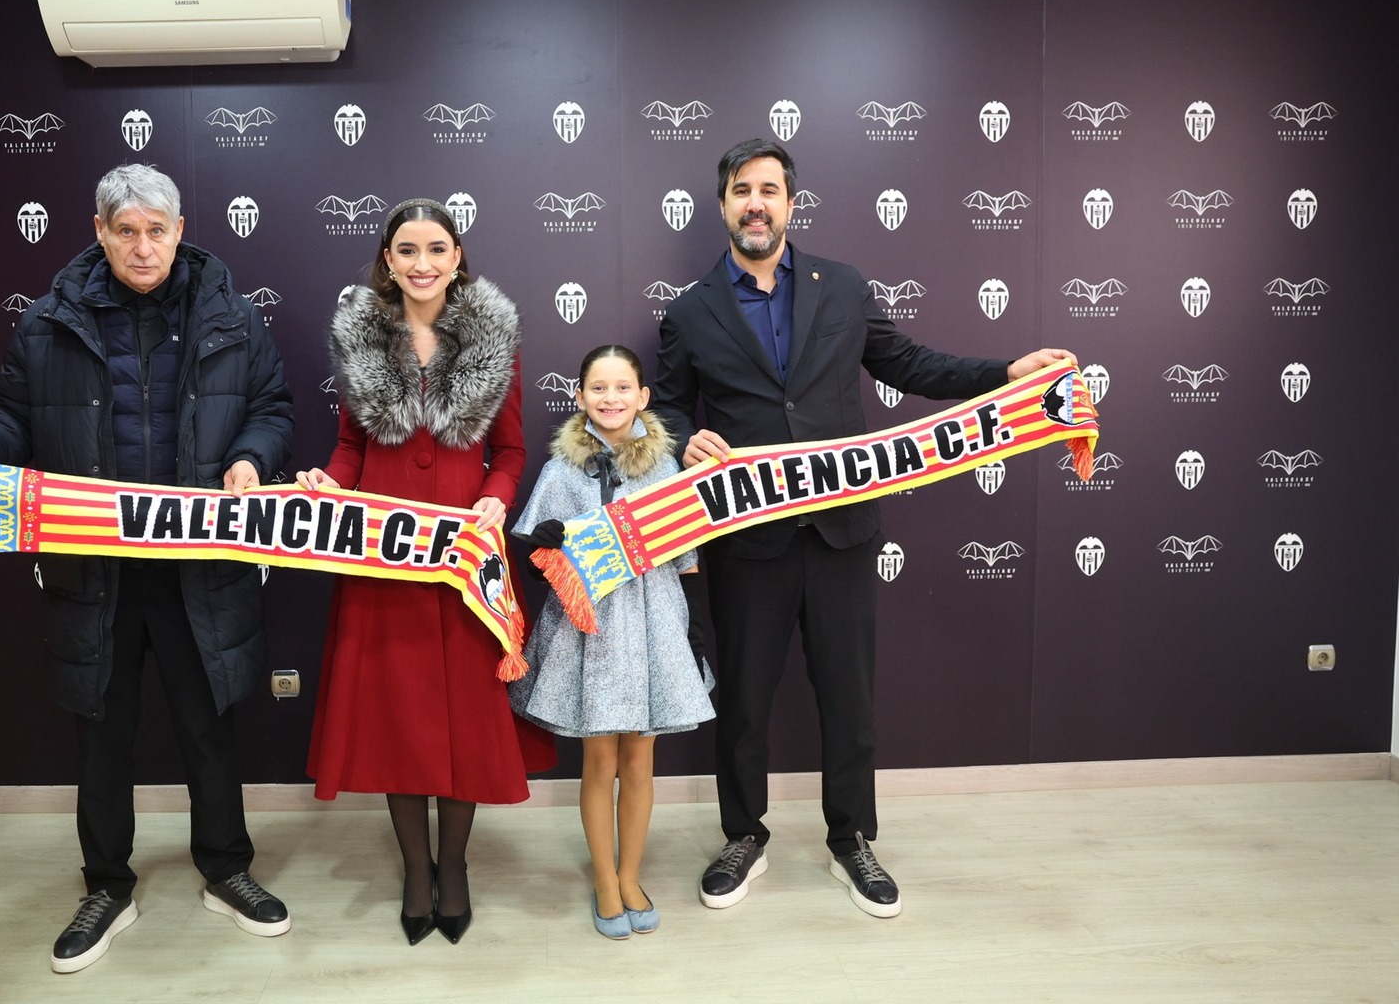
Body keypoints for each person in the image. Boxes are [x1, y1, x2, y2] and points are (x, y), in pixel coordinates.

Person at [650, 139, 1075, 919]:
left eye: (769, 189)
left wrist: (1004, 374)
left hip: (841, 533)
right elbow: (669, 405)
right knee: (742, 702)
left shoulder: (841, 286)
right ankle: (743, 836)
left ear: (790, 203)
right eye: (742, 190)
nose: (755, 203)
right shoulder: (688, 311)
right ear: (722, 205)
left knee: (849, 699)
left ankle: (851, 840)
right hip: (746, 539)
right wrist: (681, 441)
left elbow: (907, 364)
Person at [0, 164, 296, 973]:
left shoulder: (231, 314)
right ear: (99, 231)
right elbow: (8, 418)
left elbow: (271, 408)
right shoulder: (47, 322)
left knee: (209, 730)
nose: (142, 246)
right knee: (101, 736)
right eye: (126, 231)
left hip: (200, 566)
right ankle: (106, 887)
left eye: (156, 230)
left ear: (180, 230)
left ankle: (226, 870)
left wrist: (250, 459)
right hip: (95, 571)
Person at [295, 198, 556, 946]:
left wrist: (495, 499)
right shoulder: (362, 338)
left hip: (466, 559)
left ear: (456, 256)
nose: (422, 263)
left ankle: (456, 866)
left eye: (436, 249)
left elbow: (509, 452)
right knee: (396, 718)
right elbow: (351, 446)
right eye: (406, 250)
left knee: (466, 717)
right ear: (387, 259)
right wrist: (333, 483)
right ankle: (417, 871)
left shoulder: (493, 340)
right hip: (383, 559)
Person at [508, 344, 716, 940]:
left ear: (643, 397)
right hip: (591, 629)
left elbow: (686, 560)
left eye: (623, 387)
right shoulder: (560, 469)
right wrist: (544, 547)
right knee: (599, 760)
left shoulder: (666, 467)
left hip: (653, 622)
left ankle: (630, 875)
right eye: (598, 388)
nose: (611, 398)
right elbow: (537, 558)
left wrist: (692, 630)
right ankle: (604, 880)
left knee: (640, 761)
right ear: (579, 397)